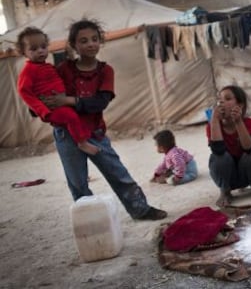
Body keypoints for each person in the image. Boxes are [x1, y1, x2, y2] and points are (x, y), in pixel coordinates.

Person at [42, 18, 167, 220]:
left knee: (118, 173)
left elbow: (99, 103)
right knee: (77, 182)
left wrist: (67, 100)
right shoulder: (63, 69)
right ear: (74, 45)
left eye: (94, 39)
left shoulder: (105, 71)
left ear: (100, 42)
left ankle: (140, 209)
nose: (90, 44)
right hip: (67, 134)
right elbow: (50, 95)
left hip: (94, 133)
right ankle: (92, 221)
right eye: (83, 41)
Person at [16, 27, 99, 155]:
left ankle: (83, 137)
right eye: (34, 49)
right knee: (70, 117)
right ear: (24, 53)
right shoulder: (28, 70)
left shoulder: (47, 66)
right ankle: (82, 143)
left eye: (43, 47)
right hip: (51, 109)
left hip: (61, 103)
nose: (40, 51)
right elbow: (24, 92)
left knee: (76, 115)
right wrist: (42, 110)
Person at [206, 85, 251, 207]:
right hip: (227, 177)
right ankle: (225, 191)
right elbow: (218, 150)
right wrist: (215, 120)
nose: (221, 102)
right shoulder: (212, 126)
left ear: (240, 105)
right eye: (219, 99)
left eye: (227, 98)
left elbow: (249, 149)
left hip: (246, 174)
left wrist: (238, 122)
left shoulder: (248, 123)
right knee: (217, 158)